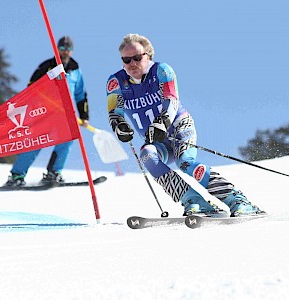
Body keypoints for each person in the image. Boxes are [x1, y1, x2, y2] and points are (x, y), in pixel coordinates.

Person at [106, 33, 265, 217]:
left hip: (178, 128)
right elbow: (114, 111)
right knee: (148, 155)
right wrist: (119, 126)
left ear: (148, 55)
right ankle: (194, 201)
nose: (131, 63)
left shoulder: (161, 71)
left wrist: (162, 123)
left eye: (136, 57)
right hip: (156, 139)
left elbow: (171, 99)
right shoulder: (116, 81)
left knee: (185, 162)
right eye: (126, 60)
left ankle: (237, 200)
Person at [5, 36, 89, 186]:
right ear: (57, 49)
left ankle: (53, 173)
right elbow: (31, 86)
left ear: (72, 51)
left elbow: (80, 95)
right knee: (37, 142)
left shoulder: (76, 70)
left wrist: (84, 116)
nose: (65, 52)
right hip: (43, 112)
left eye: (68, 49)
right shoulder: (47, 66)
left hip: (64, 115)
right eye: (62, 48)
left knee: (68, 140)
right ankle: (16, 176)